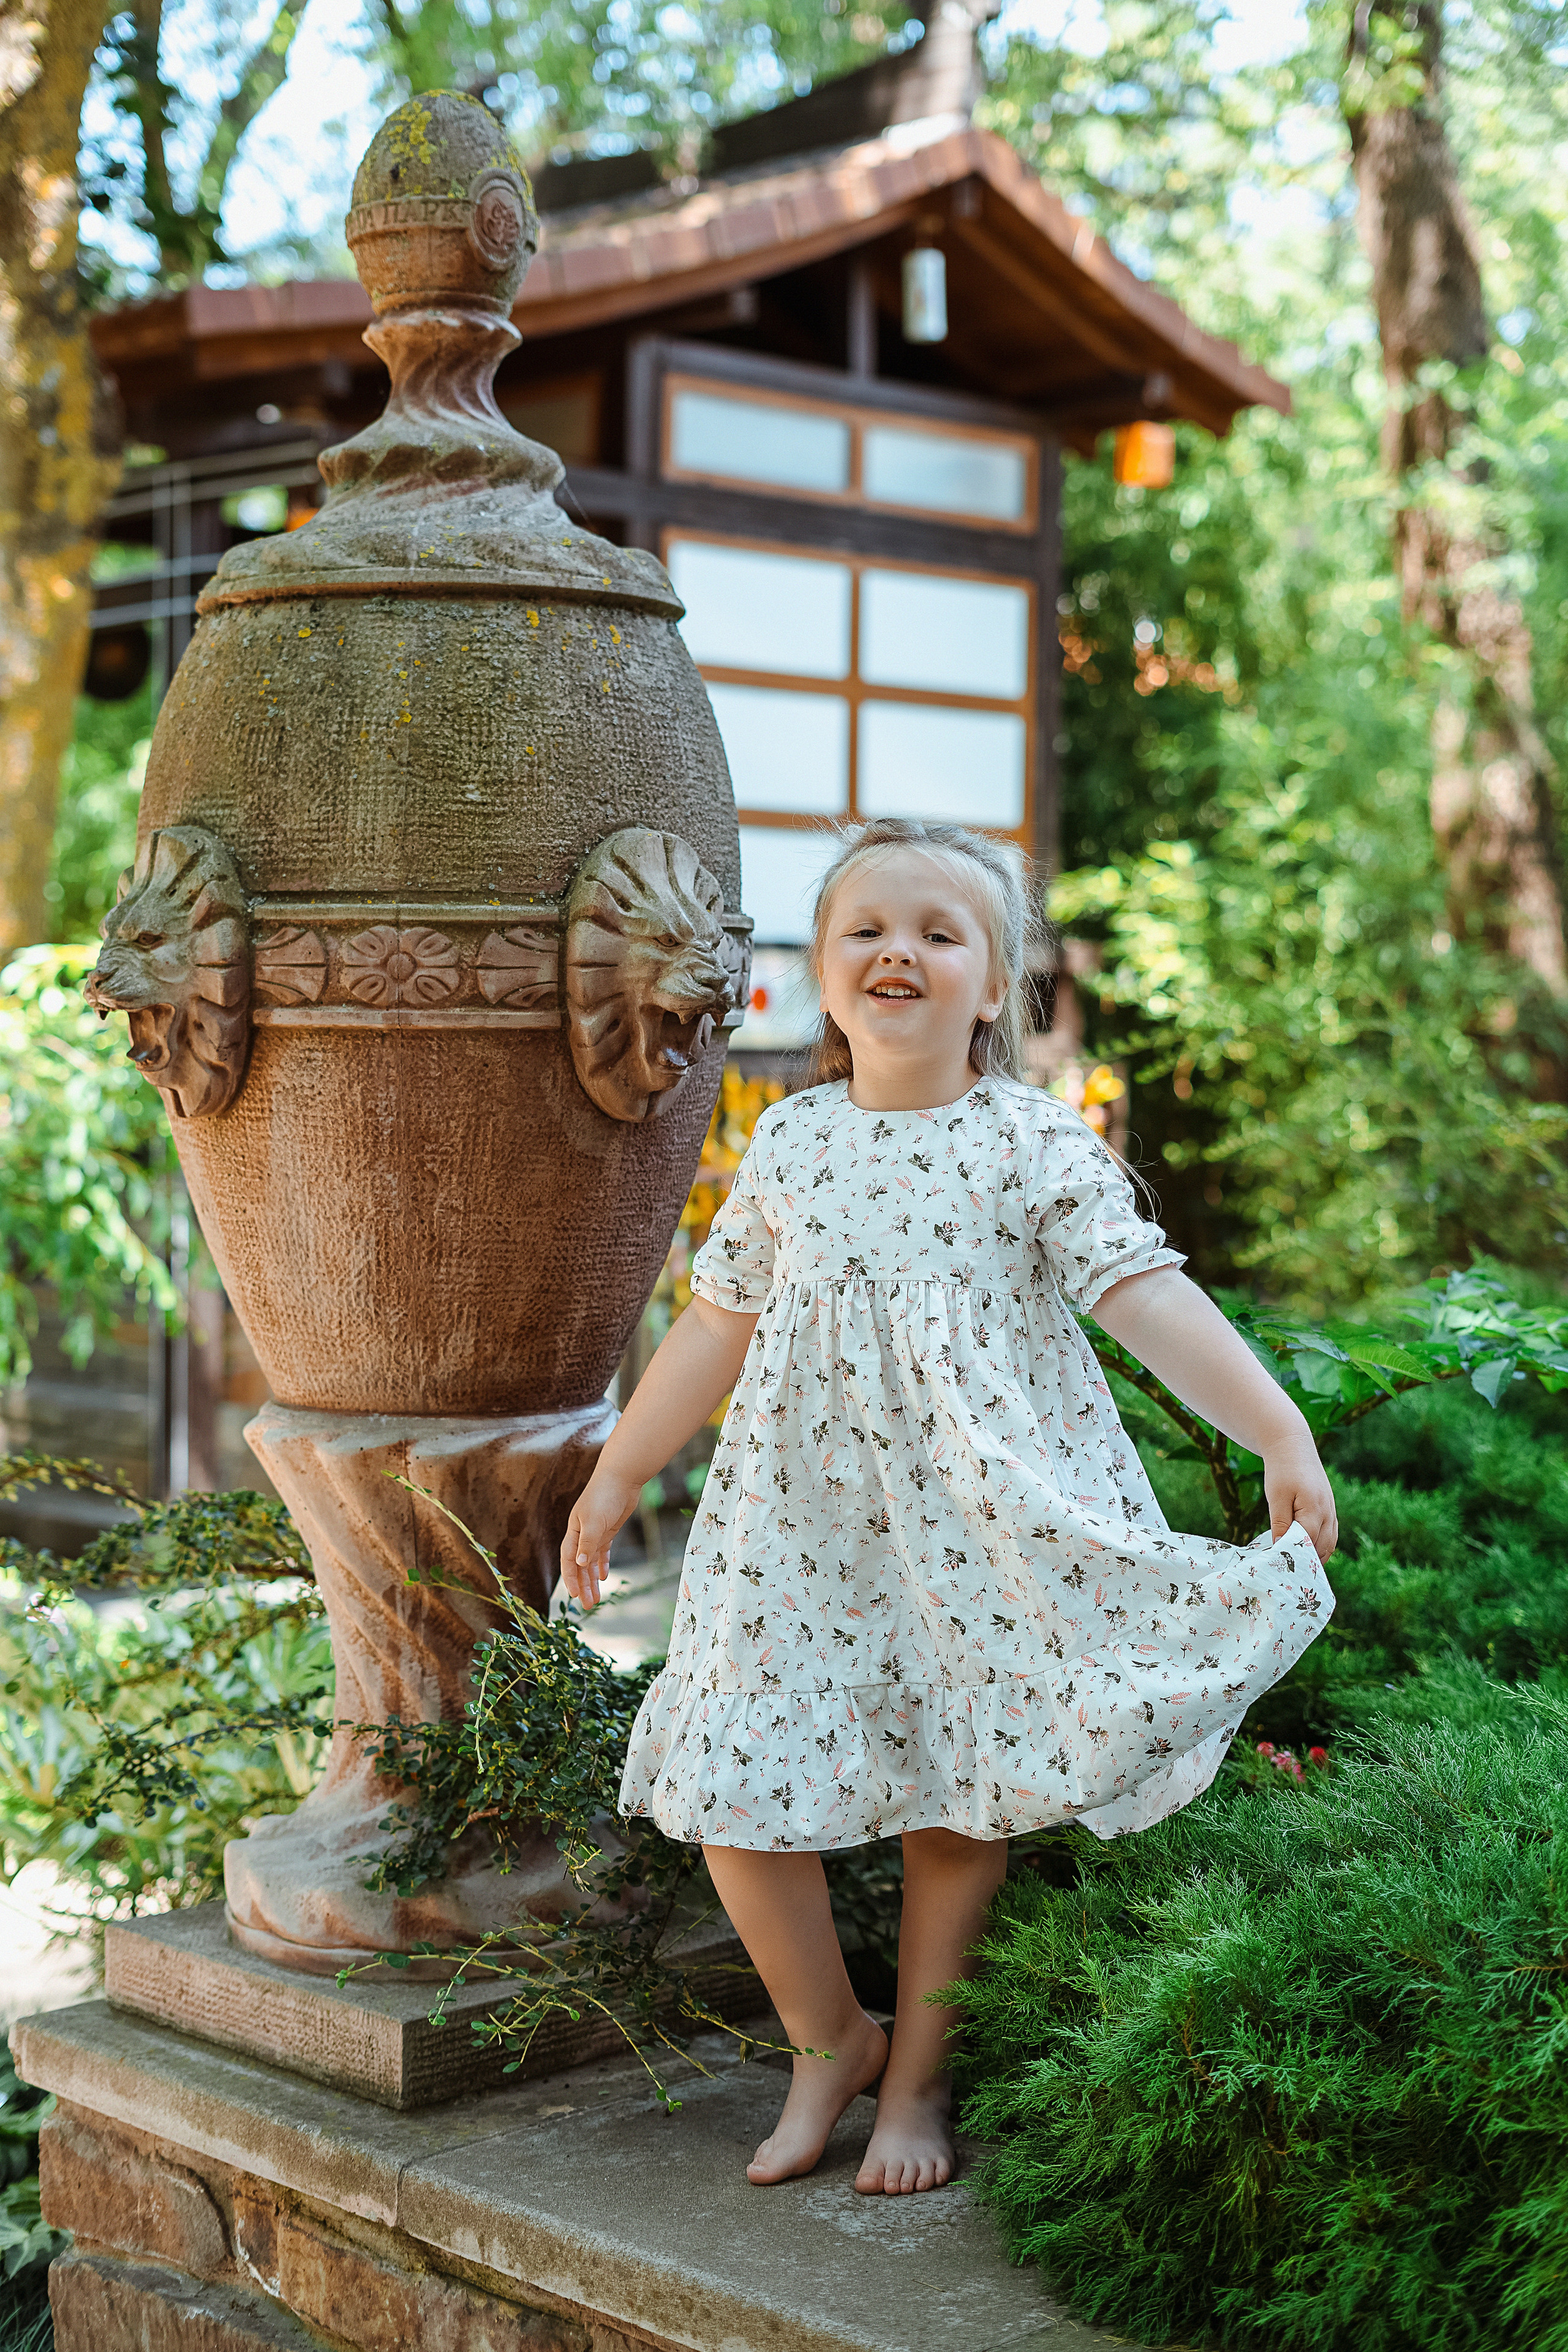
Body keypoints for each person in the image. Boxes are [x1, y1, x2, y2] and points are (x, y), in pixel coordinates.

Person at [561, 816, 1336, 2199]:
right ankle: (828, 2041)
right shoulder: (791, 1143)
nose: (896, 951)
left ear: (993, 988)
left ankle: (914, 2080)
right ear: (822, 972)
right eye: (864, 929)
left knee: (952, 1796)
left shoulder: (1028, 1145)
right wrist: (619, 1469)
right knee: (732, 1788)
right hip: (792, 1527)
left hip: (975, 1529)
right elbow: (714, 1321)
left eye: (938, 931)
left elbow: (1141, 1297)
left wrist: (1273, 1426)